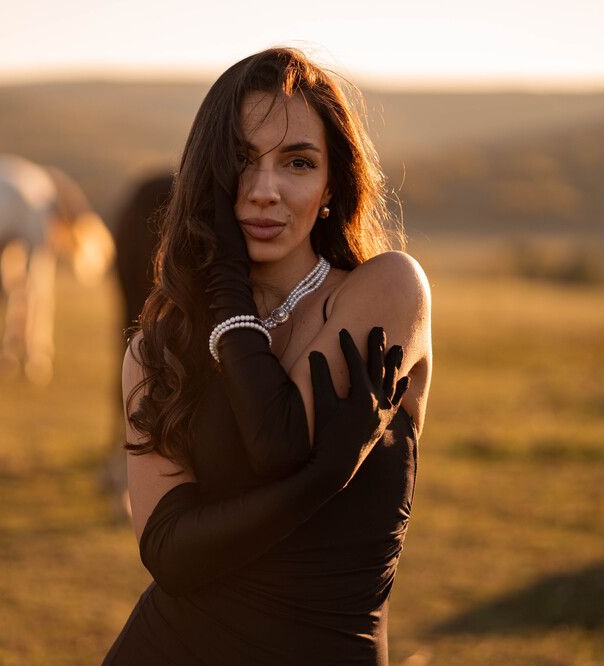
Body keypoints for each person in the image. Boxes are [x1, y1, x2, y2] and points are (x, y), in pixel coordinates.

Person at [104, 47, 432, 665]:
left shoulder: (387, 290)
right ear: (207, 176)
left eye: (298, 163)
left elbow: (276, 437)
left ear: (333, 184)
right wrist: (320, 480)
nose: (264, 191)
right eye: (239, 162)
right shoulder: (160, 348)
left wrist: (225, 289)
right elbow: (172, 557)